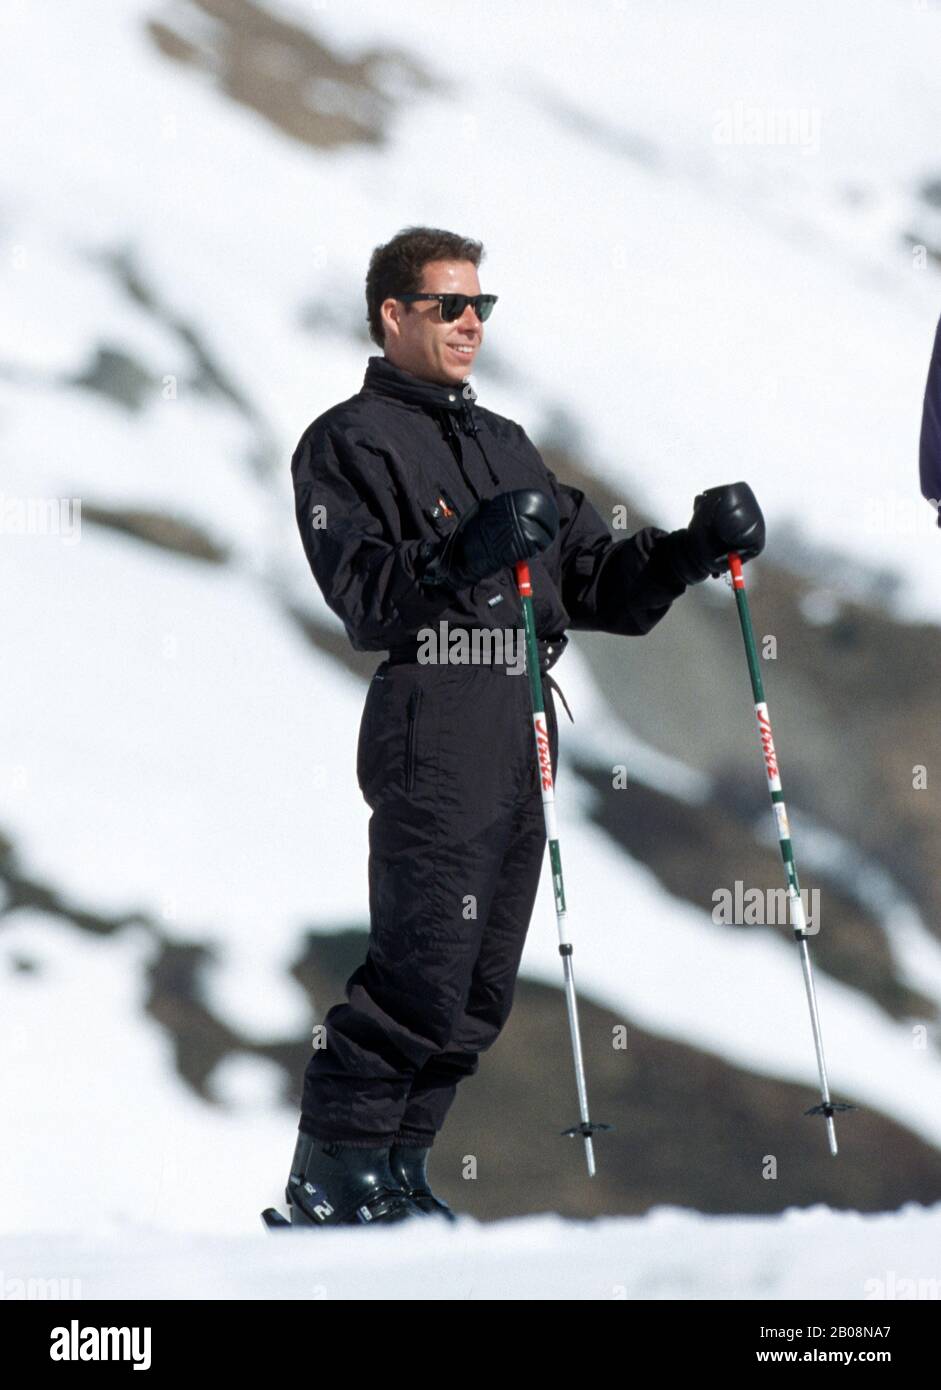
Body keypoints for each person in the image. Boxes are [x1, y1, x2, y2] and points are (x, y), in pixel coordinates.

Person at [286, 225, 766, 1226]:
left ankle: (400, 1174)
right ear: (393, 314)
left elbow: (597, 584)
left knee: (478, 983)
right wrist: (461, 554)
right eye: (449, 305)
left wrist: (686, 549)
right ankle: (333, 1173)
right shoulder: (346, 441)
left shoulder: (506, 445)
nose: (470, 323)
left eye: (480, 306)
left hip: (517, 715)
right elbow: (364, 596)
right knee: (421, 957)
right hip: (435, 706)